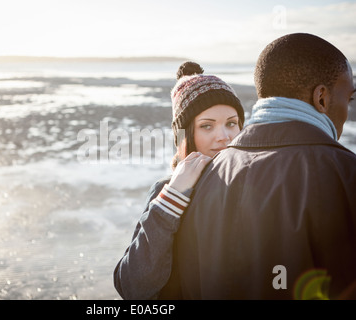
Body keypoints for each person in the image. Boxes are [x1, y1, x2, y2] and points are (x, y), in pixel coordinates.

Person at [160, 33, 356, 299]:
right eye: (349, 98)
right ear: (321, 97)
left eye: (230, 123)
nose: (222, 136)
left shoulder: (201, 181)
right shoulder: (345, 175)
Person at [113, 62, 245, 299]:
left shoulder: (252, 184)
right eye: (207, 126)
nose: (224, 137)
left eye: (231, 123)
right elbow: (132, 287)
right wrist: (172, 198)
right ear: (185, 137)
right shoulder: (167, 191)